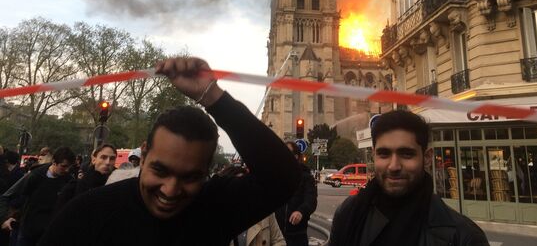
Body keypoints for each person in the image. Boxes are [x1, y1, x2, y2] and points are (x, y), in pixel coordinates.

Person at [38, 57, 301, 246]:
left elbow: (283, 177)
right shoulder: (86, 214)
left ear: (207, 172)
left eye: (190, 177)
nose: (170, 190)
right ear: (144, 152)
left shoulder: (214, 208)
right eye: (160, 170)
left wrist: (212, 96)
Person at [330, 110, 489, 246]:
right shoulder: (348, 213)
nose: (393, 166)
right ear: (373, 156)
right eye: (384, 154)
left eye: (406, 154)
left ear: (427, 158)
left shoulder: (464, 237)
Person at [0, 147, 75, 246]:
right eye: (63, 166)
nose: (67, 170)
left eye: (69, 167)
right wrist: (5, 218)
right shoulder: (35, 176)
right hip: (27, 231)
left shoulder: (69, 181)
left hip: (49, 233)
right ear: (54, 162)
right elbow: (8, 196)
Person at [220, 165, 286, 246]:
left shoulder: (265, 213)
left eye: (244, 185)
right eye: (236, 187)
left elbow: (279, 241)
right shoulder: (216, 219)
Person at [275, 142, 317, 246]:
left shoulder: (306, 177)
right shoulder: (276, 176)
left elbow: (311, 200)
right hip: (277, 235)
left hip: (297, 235)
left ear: (295, 156)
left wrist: (300, 212)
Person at [55, 144, 117, 211]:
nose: (108, 162)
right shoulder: (74, 188)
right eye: (103, 157)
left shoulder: (118, 186)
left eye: (112, 158)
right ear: (94, 159)